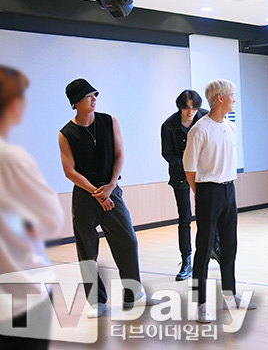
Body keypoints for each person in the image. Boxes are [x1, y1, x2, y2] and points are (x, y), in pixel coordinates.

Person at [58, 79, 159, 319]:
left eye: (95, 94)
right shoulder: (66, 134)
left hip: (111, 191)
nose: (94, 99)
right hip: (85, 196)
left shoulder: (109, 121)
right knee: (87, 250)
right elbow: (69, 171)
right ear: (76, 102)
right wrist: (96, 192)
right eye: (89, 96)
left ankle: (134, 294)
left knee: (128, 241)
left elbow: (120, 155)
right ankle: (97, 301)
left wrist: (111, 186)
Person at [0, 66, 63, 349]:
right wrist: (18, 222)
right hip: (20, 295)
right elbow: (51, 220)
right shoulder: (12, 158)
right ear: (15, 105)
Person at [183, 79, 255, 324]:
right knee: (203, 249)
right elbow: (190, 169)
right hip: (208, 191)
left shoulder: (231, 127)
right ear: (220, 98)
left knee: (230, 245)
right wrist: (202, 194)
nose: (234, 99)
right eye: (232, 95)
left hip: (228, 190)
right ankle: (200, 304)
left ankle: (229, 296)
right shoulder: (199, 130)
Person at [161, 90, 220, 281]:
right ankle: (186, 260)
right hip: (180, 175)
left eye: (194, 108)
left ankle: (215, 249)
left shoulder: (205, 118)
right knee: (185, 218)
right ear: (180, 107)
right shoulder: (169, 125)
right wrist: (188, 167)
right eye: (186, 108)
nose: (190, 112)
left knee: (210, 214)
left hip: (205, 174)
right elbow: (167, 154)